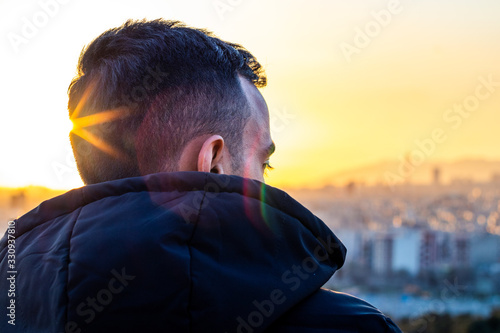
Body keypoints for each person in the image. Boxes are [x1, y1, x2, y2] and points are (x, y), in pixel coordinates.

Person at [0, 19, 401, 333]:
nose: (266, 184)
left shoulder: (13, 307)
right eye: (264, 164)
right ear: (213, 165)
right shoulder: (349, 326)